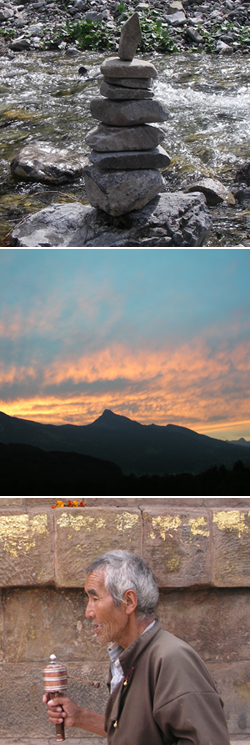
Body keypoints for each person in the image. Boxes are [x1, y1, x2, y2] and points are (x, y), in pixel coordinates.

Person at [44, 550, 231, 745]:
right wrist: (80, 717)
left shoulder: (172, 659)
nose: (88, 612)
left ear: (129, 602)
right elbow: (136, 733)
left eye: (95, 598)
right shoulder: (128, 658)